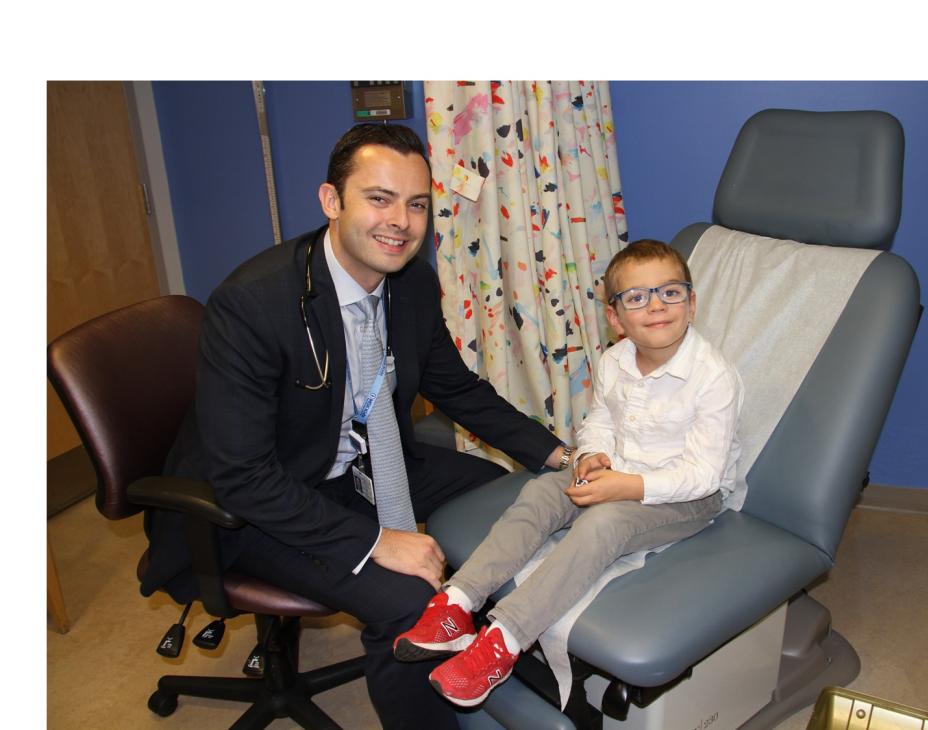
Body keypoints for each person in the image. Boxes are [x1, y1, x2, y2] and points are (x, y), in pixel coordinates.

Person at [141, 123, 571, 729]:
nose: (400, 221)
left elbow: (455, 387)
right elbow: (241, 476)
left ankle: (497, 659)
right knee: (410, 604)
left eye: (416, 204)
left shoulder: (412, 281)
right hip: (260, 499)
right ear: (331, 201)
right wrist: (376, 542)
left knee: (504, 495)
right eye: (379, 198)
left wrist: (555, 453)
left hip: (364, 462)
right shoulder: (253, 305)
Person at [394, 240, 744, 708]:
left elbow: (703, 474)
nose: (657, 305)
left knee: (605, 522)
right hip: (619, 469)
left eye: (670, 292)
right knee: (542, 492)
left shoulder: (714, 377)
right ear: (615, 318)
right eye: (637, 297)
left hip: (689, 496)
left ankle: (505, 640)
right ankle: (458, 602)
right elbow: (599, 421)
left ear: (692, 302)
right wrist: (591, 457)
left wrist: (629, 488)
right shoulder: (615, 361)